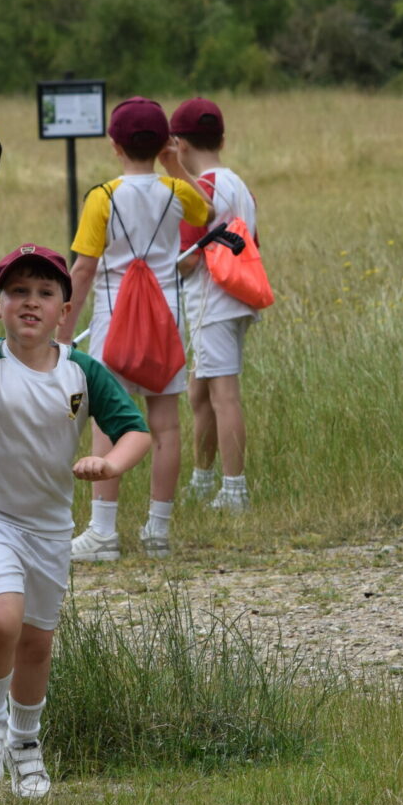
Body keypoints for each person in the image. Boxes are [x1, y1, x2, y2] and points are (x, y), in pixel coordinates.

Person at [0, 244, 151, 799]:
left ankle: (25, 745)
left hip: (47, 528)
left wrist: (109, 462)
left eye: (45, 293)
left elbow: (137, 431)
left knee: (36, 644)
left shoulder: (82, 372)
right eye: (18, 292)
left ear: (66, 308)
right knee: (0, 622)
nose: (31, 302)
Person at [56, 97, 213, 561]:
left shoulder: (102, 198)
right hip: (164, 323)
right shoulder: (176, 192)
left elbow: (83, 270)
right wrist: (175, 165)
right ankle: (158, 532)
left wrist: (64, 332)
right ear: (164, 141)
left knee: (108, 424)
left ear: (114, 145)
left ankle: (103, 531)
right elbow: (205, 209)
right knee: (165, 426)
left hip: (113, 324)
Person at [172, 97, 257, 512]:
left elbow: (187, 262)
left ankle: (235, 489)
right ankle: (203, 480)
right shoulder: (239, 185)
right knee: (199, 394)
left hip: (211, 302)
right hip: (238, 300)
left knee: (224, 396)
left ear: (179, 145)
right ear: (221, 138)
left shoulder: (198, 192)